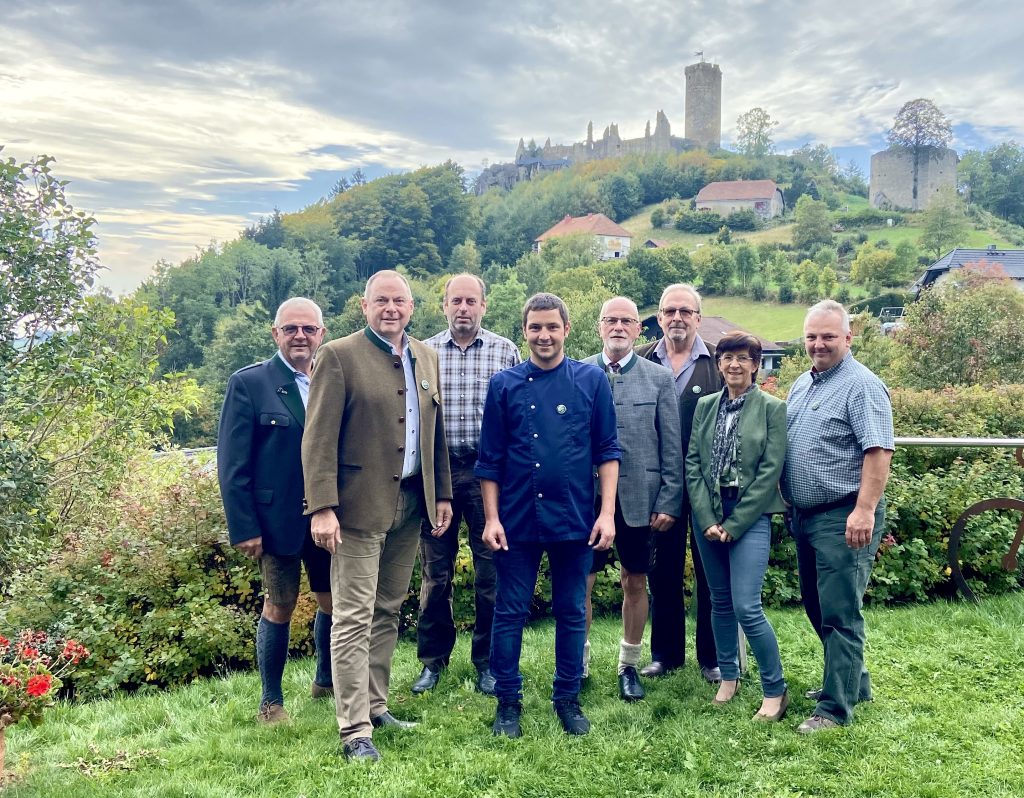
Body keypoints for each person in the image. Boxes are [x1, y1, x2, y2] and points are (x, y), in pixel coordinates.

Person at [301, 270, 453, 763]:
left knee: (388, 608)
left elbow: (434, 435)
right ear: (364, 306)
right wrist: (322, 507)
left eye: (400, 301)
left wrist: (442, 495)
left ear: (412, 307)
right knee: (353, 616)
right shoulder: (338, 356)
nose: (391, 308)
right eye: (381, 300)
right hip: (357, 509)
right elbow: (317, 438)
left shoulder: (426, 356)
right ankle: (354, 729)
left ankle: (376, 703)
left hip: (411, 504)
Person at [476, 293, 621, 738]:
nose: (544, 335)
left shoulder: (591, 381)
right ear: (525, 331)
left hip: (575, 518)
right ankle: (508, 702)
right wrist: (491, 518)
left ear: (566, 329)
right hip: (516, 521)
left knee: (572, 611)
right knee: (510, 611)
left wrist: (607, 514)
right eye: (535, 327)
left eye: (551, 327)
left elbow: (607, 452)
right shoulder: (503, 385)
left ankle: (567, 698)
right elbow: (490, 461)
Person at [217, 297, 333, 725]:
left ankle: (325, 681)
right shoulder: (250, 383)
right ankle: (271, 701)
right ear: (275, 333)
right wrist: (244, 526)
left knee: (332, 602)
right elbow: (232, 464)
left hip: (328, 516)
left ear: (322, 333)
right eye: (291, 329)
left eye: (308, 329)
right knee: (279, 605)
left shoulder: (332, 377)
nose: (300, 336)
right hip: (275, 522)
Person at [784, 300, 894, 734]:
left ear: (848, 338)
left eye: (828, 336)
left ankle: (834, 709)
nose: (818, 344)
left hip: (843, 514)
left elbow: (878, 451)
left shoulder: (862, 385)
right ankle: (854, 682)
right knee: (816, 605)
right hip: (806, 515)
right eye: (812, 336)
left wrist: (864, 510)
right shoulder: (802, 383)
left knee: (839, 612)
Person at [412, 274, 521, 697]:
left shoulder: (504, 350)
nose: (463, 308)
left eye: (470, 301)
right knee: (434, 574)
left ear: (483, 306)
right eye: (455, 300)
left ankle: (488, 663)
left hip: (487, 476)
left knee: (490, 572)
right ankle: (432, 661)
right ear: (443, 305)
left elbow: (516, 417)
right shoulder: (423, 353)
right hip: (436, 475)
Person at [581, 297, 683, 702]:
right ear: (599, 326)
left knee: (635, 580)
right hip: (586, 500)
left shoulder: (659, 379)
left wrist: (670, 498)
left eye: (627, 321)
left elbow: (671, 446)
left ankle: (628, 664)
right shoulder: (578, 373)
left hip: (641, 499)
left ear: (639, 329)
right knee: (581, 584)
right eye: (611, 320)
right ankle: (579, 661)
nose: (619, 327)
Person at [685, 331, 789, 721]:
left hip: (751, 517)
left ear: (756, 365)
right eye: (727, 357)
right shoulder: (705, 406)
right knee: (719, 602)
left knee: (747, 604)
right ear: (719, 364)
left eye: (743, 358)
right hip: (708, 515)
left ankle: (775, 690)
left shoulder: (773, 409)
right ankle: (729, 676)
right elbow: (693, 464)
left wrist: (735, 523)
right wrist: (709, 519)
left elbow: (769, 472)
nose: (734, 365)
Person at [635, 284, 721, 683]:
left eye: (685, 311)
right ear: (659, 316)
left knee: (711, 573)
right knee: (662, 572)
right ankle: (666, 655)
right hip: (660, 487)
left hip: (708, 487)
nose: (677, 318)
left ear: (698, 318)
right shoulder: (640, 360)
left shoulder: (719, 364)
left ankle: (713, 657)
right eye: (669, 310)